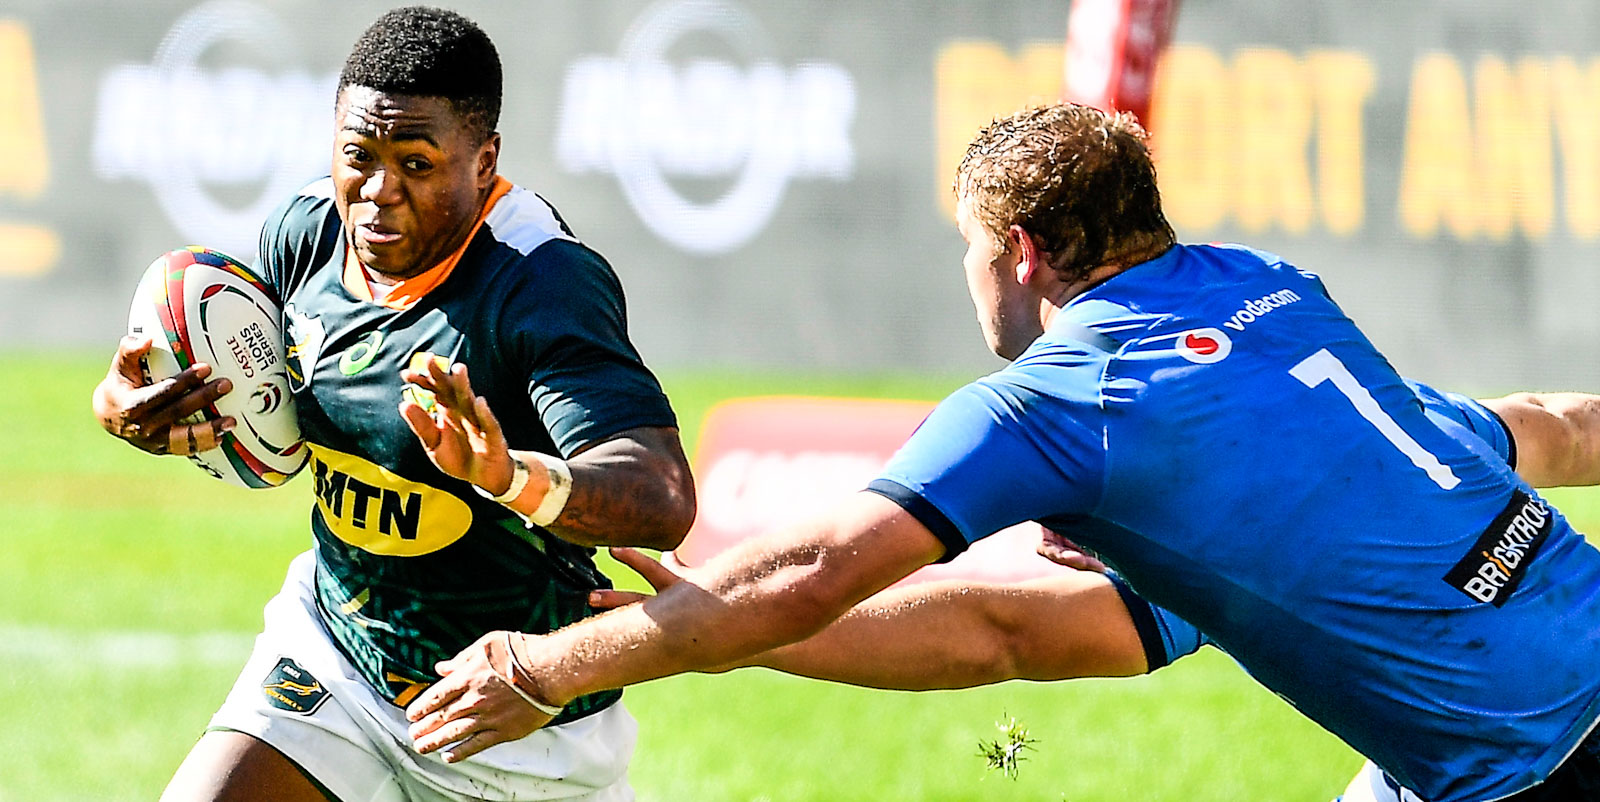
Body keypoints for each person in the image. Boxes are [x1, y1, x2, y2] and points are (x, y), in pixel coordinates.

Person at [402, 103, 1600, 802]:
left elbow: (816, 571)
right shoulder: (1271, 295)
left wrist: (546, 665)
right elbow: (1547, 427)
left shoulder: (1057, 403)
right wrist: (714, 628)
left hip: (1525, 766)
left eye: (968, 250)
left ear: (1018, 253)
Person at [91, 7, 694, 802]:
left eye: (416, 163)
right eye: (358, 156)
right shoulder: (307, 235)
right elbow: (248, 389)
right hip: (334, 658)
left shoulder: (541, 283)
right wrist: (127, 402)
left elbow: (661, 496)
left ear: (484, 161)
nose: (378, 193)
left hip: (513, 712)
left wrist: (510, 476)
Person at [584, 384, 1600, 801]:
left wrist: (734, 628)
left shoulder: (1211, 536)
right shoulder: (1356, 397)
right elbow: (1560, 426)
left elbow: (997, 631)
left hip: (1524, 758)